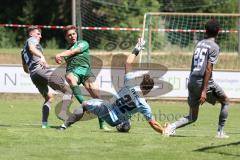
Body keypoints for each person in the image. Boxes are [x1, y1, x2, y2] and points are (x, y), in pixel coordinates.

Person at [59, 38, 164, 135]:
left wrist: (137, 48)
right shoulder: (144, 105)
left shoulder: (131, 82)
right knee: (127, 119)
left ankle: (64, 126)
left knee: (84, 104)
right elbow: (153, 124)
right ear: (149, 90)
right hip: (118, 120)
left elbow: (128, 62)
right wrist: (164, 130)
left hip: (109, 110)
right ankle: (124, 124)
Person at [164, 19, 230, 138]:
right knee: (225, 101)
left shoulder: (199, 43)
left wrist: (192, 82)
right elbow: (208, 69)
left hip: (192, 80)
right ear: (218, 32)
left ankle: (171, 127)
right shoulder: (214, 46)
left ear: (205, 31)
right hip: (203, 82)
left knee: (193, 117)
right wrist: (204, 91)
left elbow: (193, 64)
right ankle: (220, 132)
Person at [55, 25, 110, 131]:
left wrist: (59, 55)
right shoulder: (66, 51)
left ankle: (102, 124)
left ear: (76, 34)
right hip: (72, 71)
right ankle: (83, 103)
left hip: (85, 72)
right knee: (70, 78)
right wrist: (60, 59)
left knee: (98, 98)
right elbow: (68, 54)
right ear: (66, 38)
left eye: (74, 34)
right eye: (69, 35)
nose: (72, 36)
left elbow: (73, 51)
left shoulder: (83, 43)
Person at [21, 26, 72, 128]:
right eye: (38, 34)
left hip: (34, 75)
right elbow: (32, 48)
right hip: (41, 71)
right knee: (69, 91)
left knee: (49, 98)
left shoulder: (23, 51)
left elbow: (25, 69)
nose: (40, 36)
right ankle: (63, 113)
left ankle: (44, 124)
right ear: (31, 34)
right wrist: (42, 56)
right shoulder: (31, 40)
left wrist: (32, 70)